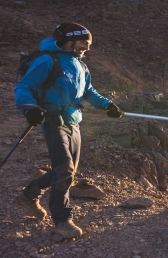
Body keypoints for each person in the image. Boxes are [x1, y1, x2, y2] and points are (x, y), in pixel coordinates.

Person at [14, 22, 124, 238]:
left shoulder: (81, 67)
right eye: (85, 42)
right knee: (65, 170)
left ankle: (29, 195)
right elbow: (24, 86)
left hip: (74, 122)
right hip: (53, 121)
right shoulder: (48, 60)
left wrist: (108, 105)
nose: (88, 47)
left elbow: (89, 92)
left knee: (66, 171)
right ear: (69, 40)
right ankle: (62, 220)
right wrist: (30, 109)